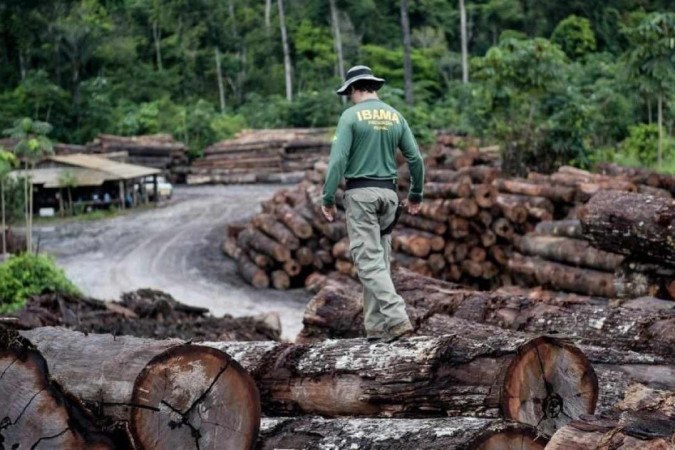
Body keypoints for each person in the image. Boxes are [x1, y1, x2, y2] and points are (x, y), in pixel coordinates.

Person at [321, 65, 425, 342]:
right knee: (378, 262)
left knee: (367, 262)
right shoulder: (395, 115)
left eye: (350, 93)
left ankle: (397, 317)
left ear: (355, 89)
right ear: (374, 87)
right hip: (389, 197)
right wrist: (416, 194)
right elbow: (415, 159)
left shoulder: (350, 116)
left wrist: (328, 197)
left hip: (361, 196)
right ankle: (376, 329)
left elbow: (338, 161)